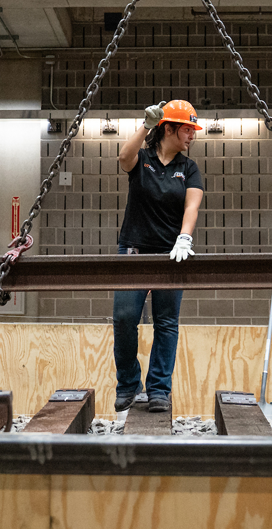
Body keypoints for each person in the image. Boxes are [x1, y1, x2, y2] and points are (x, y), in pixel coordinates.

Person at [112, 100, 204, 413]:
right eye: (187, 129)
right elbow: (124, 158)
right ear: (168, 128)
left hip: (171, 253)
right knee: (125, 318)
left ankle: (159, 390)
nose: (192, 135)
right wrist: (144, 125)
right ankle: (127, 385)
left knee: (166, 323)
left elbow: (191, 206)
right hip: (133, 249)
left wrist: (185, 237)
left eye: (193, 130)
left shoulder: (188, 168)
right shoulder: (144, 159)